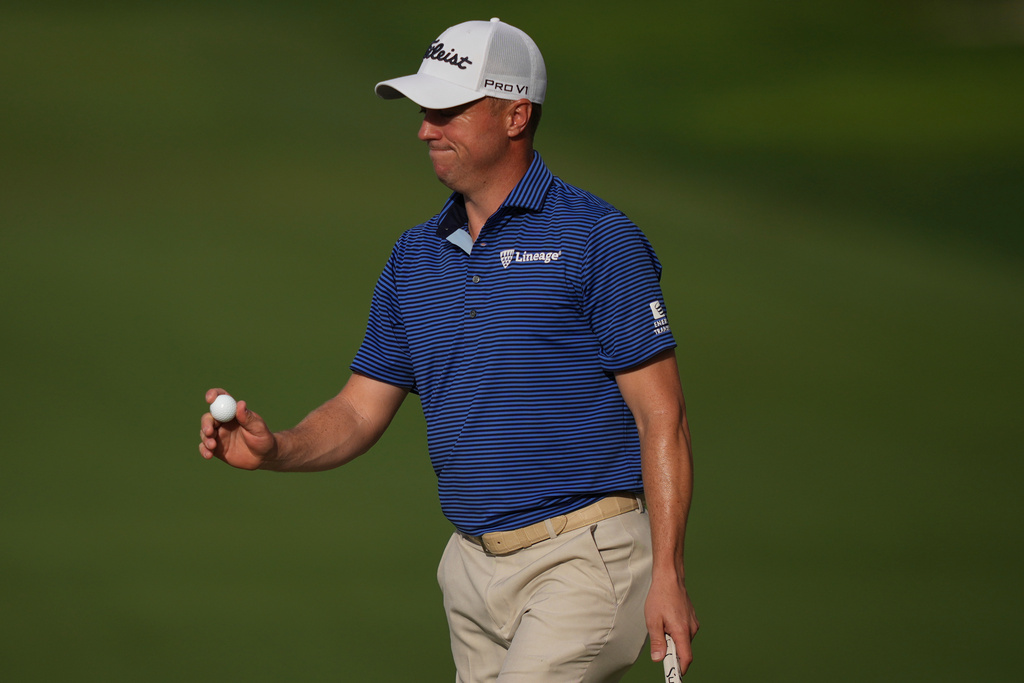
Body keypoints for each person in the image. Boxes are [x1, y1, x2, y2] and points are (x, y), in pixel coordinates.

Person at [198, 17, 698, 682]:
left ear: (516, 114)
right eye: (424, 110)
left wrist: (667, 571)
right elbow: (357, 409)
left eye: (448, 110)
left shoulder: (597, 240)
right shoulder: (415, 256)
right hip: (470, 571)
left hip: (585, 559)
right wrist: (276, 448)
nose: (425, 128)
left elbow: (661, 416)